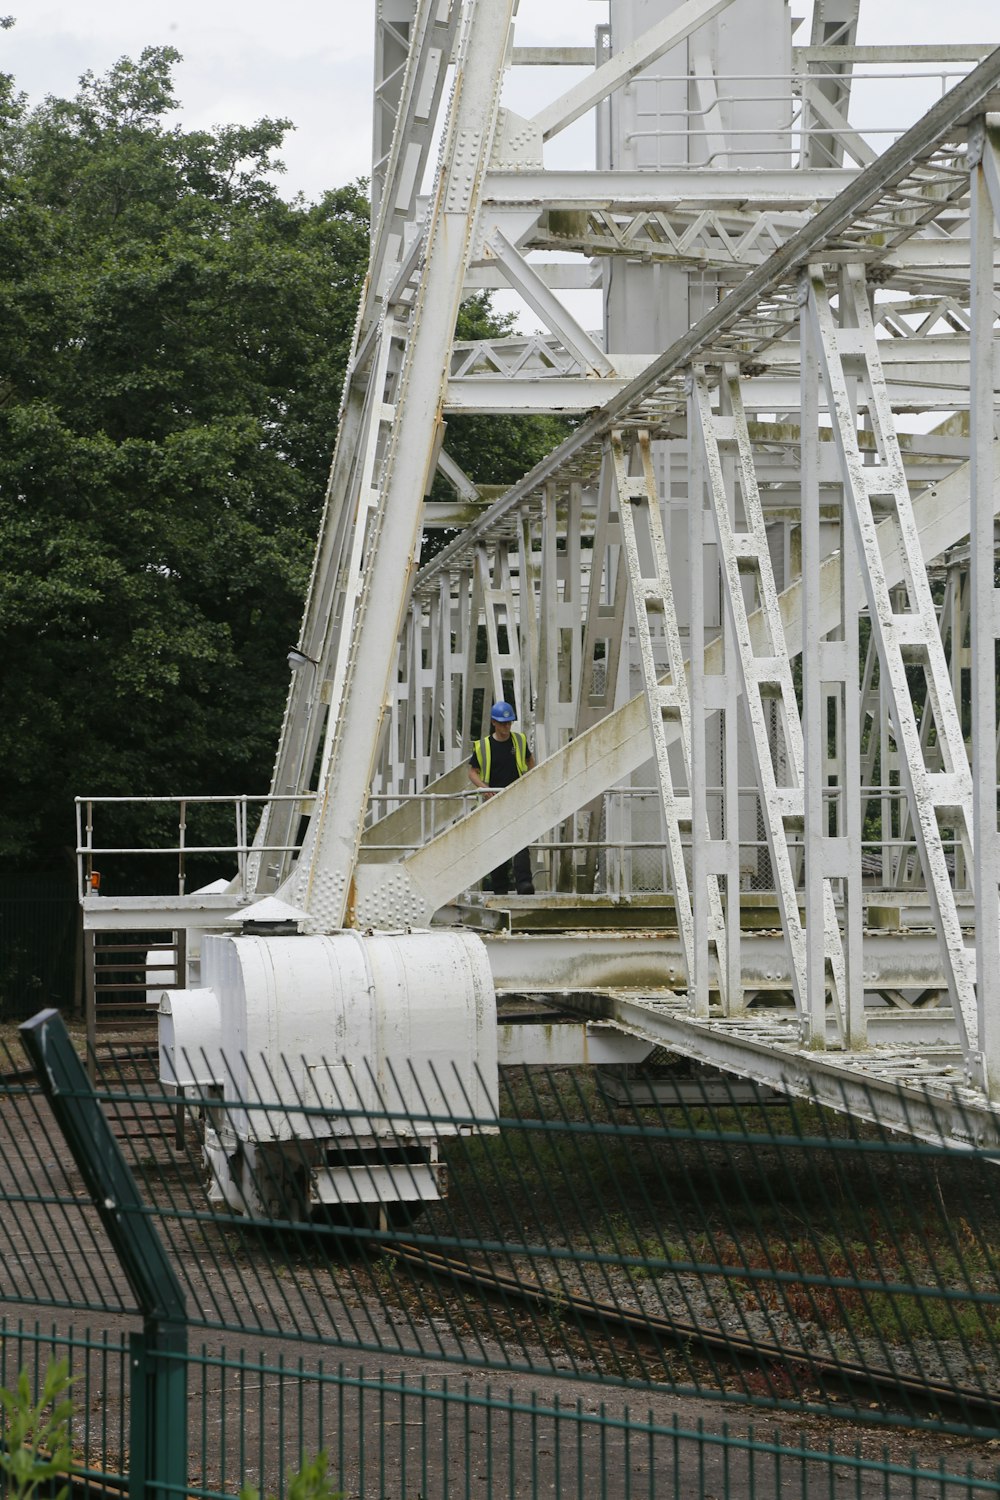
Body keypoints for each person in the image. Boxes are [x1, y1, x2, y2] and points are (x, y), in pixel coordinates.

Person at [468, 701, 536, 895]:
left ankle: (524, 884)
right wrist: (484, 789)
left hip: (517, 798)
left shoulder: (520, 741)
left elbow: (530, 760)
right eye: (502, 723)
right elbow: (472, 772)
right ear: (494, 723)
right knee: (497, 844)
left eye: (509, 723)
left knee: (521, 841)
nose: (506, 727)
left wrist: (531, 780)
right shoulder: (483, 746)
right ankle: (500, 888)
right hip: (494, 800)